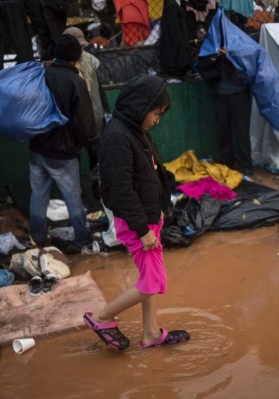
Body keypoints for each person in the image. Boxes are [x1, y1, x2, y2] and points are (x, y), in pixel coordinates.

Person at [83, 74, 190, 350]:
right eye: (155, 113)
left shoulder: (134, 131)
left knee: (150, 278)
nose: (156, 120)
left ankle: (151, 333)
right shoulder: (118, 137)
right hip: (136, 223)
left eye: (160, 114)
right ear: (140, 106)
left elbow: (149, 175)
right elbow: (121, 191)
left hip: (146, 218)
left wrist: (159, 211)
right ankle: (101, 317)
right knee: (153, 280)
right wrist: (142, 230)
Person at [28, 34, 99, 254]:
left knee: (38, 195)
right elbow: (84, 122)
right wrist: (93, 148)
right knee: (72, 197)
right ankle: (82, 239)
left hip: (37, 147)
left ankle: (38, 238)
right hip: (62, 152)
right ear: (76, 57)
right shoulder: (74, 81)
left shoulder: (41, 75)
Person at [63, 26, 120, 249]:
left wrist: (106, 113)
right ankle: (89, 198)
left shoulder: (87, 62)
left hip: (92, 119)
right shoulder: (68, 67)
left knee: (96, 160)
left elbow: (100, 90)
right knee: (85, 160)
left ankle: (97, 196)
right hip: (83, 121)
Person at [198, 46, 254, 176]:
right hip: (220, 94)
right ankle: (225, 162)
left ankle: (246, 165)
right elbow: (202, 65)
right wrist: (216, 56)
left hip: (238, 93)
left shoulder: (239, 45)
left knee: (241, 131)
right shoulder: (212, 46)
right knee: (222, 129)